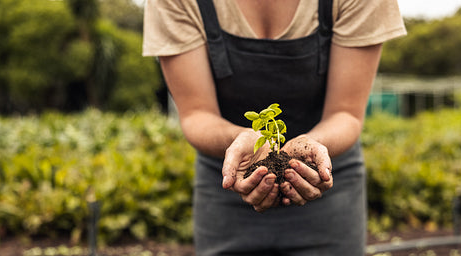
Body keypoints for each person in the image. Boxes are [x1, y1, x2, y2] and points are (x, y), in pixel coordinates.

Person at [143, 0, 406, 255]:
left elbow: (345, 112)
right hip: (228, 181)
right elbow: (197, 114)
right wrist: (240, 138)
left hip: (326, 178)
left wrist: (312, 145)